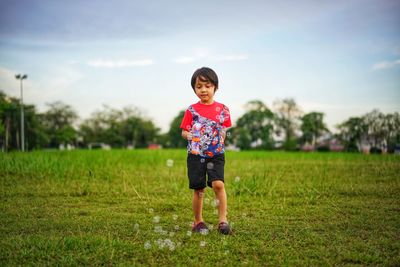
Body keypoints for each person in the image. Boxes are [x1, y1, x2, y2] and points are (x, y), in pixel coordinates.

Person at [180, 67, 232, 235]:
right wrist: (188, 135)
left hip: (216, 154)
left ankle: (223, 221)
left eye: (207, 85)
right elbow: (184, 132)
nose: (203, 90)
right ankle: (198, 221)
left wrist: (222, 138)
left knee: (218, 184)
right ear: (194, 89)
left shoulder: (223, 110)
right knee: (199, 189)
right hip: (196, 155)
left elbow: (224, 129)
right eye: (199, 86)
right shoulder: (191, 110)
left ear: (215, 87)